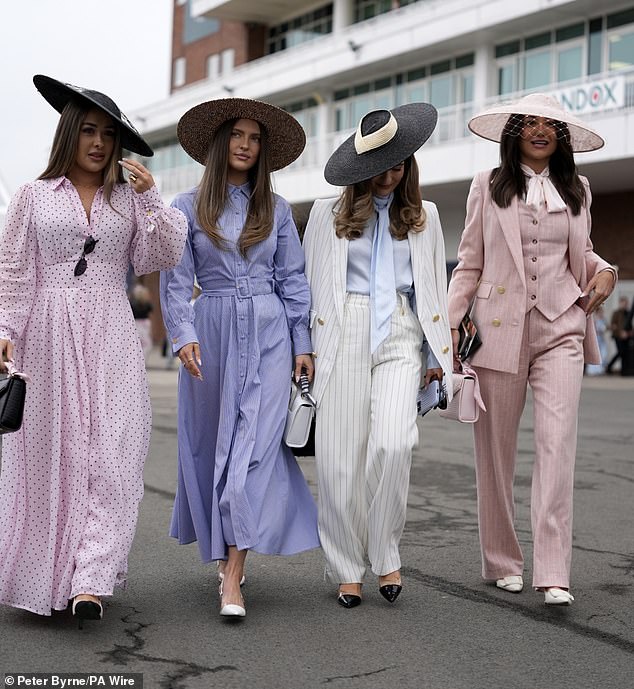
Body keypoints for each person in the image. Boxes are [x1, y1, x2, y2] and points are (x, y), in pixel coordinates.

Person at [0, 75, 188, 622]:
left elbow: (163, 253)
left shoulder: (128, 200)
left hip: (110, 332)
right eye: (88, 131)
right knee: (53, 458)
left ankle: (92, 578)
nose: (99, 142)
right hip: (47, 337)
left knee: (115, 455)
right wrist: (5, 334)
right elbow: (14, 275)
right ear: (69, 134)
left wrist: (151, 193)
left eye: (109, 133)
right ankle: (49, 575)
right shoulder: (33, 198)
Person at [447, 93, 617, 605]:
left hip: (561, 325)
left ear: (562, 137)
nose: (541, 129)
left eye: (551, 124)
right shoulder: (486, 186)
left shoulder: (578, 188)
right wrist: (452, 326)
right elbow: (469, 263)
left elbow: (581, 252)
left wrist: (605, 271)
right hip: (497, 329)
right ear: (515, 131)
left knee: (556, 445)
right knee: (495, 455)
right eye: (531, 122)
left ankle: (554, 572)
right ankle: (502, 559)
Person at [160, 98, 320, 619]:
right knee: (214, 449)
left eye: (254, 138)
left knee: (256, 447)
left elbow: (293, 280)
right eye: (237, 135)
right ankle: (228, 552)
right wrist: (182, 335)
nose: (246, 144)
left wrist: (303, 344)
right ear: (220, 142)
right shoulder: (185, 208)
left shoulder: (276, 210)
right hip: (213, 334)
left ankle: (233, 571)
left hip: (271, 332)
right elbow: (177, 280)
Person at [303, 104, 453, 608]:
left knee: (394, 442)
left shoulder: (426, 216)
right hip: (342, 328)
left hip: (402, 330)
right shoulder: (326, 214)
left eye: (398, 165)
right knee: (341, 460)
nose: (389, 176)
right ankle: (347, 566)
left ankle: (385, 550)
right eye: (379, 167)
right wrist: (302, 349)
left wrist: (436, 352)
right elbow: (308, 287)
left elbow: (434, 285)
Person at [128, 283, 154, 361]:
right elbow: (150, 316)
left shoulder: (134, 303)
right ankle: (141, 360)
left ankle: (139, 360)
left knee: (139, 343)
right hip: (141, 324)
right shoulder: (145, 304)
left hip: (138, 323)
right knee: (145, 344)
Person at [606, 296, 630, 374]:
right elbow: (613, 325)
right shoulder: (616, 313)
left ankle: (624, 371)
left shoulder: (628, 314)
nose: (625, 305)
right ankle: (609, 366)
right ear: (620, 303)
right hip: (617, 336)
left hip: (626, 336)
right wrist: (620, 332)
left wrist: (628, 333)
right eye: (623, 303)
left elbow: (630, 326)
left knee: (624, 353)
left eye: (626, 303)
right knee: (620, 352)